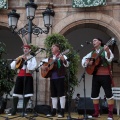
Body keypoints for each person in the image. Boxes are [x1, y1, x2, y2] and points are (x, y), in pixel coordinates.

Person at [81, 38, 114, 120]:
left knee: (109, 94)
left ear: (100, 42)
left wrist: (108, 51)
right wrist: (88, 62)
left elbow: (110, 58)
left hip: (105, 74)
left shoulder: (105, 49)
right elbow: (83, 59)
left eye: (95, 40)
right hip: (96, 75)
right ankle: (96, 113)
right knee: (94, 94)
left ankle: (110, 114)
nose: (93, 42)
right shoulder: (92, 53)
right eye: (92, 41)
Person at [40, 44, 69, 118]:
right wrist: (44, 66)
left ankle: (62, 110)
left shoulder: (62, 55)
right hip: (52, 78)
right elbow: (41, 63)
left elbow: (67, 64)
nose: (51, 48)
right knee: (53, 95)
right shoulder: (50, 58)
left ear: (58, 48)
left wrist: (63, 60)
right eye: (52, 47)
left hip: (60, 77)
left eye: (53, 47)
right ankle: (54, 110)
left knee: (61, 94)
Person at [8, 44, 37, 116]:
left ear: (29, 50)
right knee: (16, 93)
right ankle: (14, 110)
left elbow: (33, 67)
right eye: (24, 48)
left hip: (28, 77)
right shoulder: (20, 57)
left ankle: (24, 111)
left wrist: (27, 60)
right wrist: (17, 60)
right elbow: (12, 66)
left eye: (26, 48)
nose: (25, 50)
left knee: (27, 94)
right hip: (20, 76)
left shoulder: (32, 57)